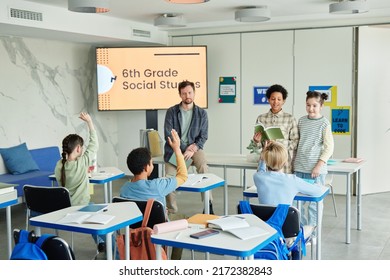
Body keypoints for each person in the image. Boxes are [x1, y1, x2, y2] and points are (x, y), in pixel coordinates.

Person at [119, 128, 188, 260]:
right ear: (146, 167)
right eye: (151, 163)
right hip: (158, 230)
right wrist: (177, 149)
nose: (153, 165)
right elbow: (183, 176)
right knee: (183, 218)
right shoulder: (157, 186)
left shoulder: (124, 189)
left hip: (135, 231)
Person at [54, 112, 105, 252]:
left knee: (94, 206)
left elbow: (60, 179)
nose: (82, 149)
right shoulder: (82, 163)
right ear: (78, 149)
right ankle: (107, 246)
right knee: (100, 214)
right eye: (81, 147)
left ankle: (101, 243)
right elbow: (94, 144)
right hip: (82, 207)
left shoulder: (59, 165)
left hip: (65, 208)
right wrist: (89, 122)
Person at [163, 80, 212, 214]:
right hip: (175, 150)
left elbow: (204, 136)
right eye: (184, 93)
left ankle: (208, 205)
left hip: (195, 149)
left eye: (190, 92)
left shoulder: (202, 114)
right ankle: (171, 211)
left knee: (203, 167)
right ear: (180, 95)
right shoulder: (171, 112)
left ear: (194, 93)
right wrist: (184, 149)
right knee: (169, 178)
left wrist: (194, 148)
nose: (187, 96)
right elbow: (168, 135)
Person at [294, 90, 334, 227]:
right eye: (308, 105)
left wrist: (319, 165)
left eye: (314, 106)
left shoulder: (325, 124)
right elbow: (297, 142)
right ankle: (302, 231)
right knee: (296, 202)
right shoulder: (301, 121)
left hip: (315, 170)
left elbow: (329, 148)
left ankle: (313, 233)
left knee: (313, 204)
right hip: (299, 167)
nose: (311, 108)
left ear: (321, 106)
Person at [253, 141, 324, 206]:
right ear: (285, 162)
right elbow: (319, 192)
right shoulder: (292, 180)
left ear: (266, 160)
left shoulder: (258, 177)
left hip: (263, 219)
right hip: (286, 219)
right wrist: (317, 185)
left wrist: (263, 154)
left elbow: (261, 171)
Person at [251, 84, 299, 174]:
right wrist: (256, 141)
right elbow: (257, 147)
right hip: (265, 162)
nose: (275, 102)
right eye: (273, 99)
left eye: (279, 99)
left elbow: (295, 142)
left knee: (284, 187)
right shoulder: (261, 118)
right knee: (265, 186)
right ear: (268, 99)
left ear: (283, 101)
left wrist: (278, 143)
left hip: (284, 164)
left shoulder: (290, 118)